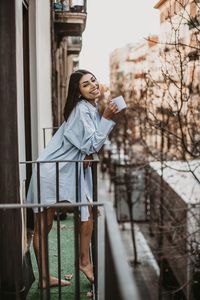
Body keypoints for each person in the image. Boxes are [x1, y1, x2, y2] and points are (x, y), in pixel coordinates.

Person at [27, 69, 121, 288]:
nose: (93, 86)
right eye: (86, 84)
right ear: (78, 92)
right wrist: (107, 118)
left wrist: (88, 151)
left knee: (87, 211)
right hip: (52, 171)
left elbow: (87, 144)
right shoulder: (81, 109)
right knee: (45, 225)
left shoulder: (89, 107)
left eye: (94, 81)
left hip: (65, 169)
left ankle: (81, 262)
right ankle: (66, 269)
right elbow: (91, 143)